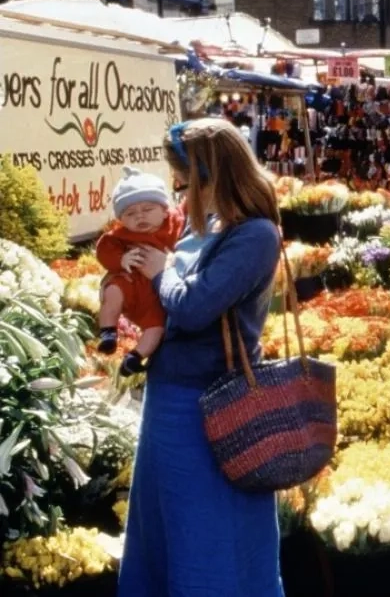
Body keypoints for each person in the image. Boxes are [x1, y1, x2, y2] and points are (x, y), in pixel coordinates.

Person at [118, 118, 284, 596]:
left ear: (211, 176)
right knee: (168, 530)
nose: (179, 191)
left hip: (213, 408)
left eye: (183, 180)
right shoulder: (218, 226)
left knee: (211, 538)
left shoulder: (254, 235)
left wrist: (161, 271)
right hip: (173, 401)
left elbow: (193, 307)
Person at [95, 167, 187, 376]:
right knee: (113, 291)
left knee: (156, 326)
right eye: (131, 213)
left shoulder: (176, 225)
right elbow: (104, 250)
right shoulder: (120, 236)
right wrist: (121, 259)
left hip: (157, 291)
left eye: (147, 210)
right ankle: (108, 331)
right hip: (131, 281)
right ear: (121, 219)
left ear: (164, 210)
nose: (140, 217)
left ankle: (135, 357)